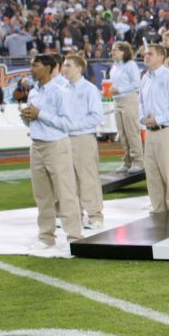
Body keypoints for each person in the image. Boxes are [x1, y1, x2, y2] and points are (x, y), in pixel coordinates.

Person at [21, 54, 82, 250]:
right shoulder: (33, 92)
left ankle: (74, 235)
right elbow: (34, 120)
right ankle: (46, 236)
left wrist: (40, 114)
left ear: (48, 68)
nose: (31, 69)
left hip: (56, 145)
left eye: (35, 65)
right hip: (36, 145)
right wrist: (27, 117)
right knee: (42, 195)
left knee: (65, 192)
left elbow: (67, 123)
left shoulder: (60, 91)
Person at [139, 43, 169, 212]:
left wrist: (159, 119)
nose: (146, 56)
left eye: (150, 54)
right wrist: (142, 119)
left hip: (167, 132)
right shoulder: (145, 78)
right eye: (145, 54)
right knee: (153, 178)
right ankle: (159, 215)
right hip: (151, 133)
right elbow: (141, 103)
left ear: (161, 57)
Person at [60, 53, 105, 230]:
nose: (64, 68)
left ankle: (95, 215)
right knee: (69, 180)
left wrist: (74, 126)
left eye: (68, 65)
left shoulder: (89, 89)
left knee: (87, 178)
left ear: (79, 68)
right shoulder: (62, 89)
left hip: (83, 138)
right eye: (64, 65)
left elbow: (96, 116)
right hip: (65, 139)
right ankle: (75, 214)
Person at [108, 41, 144, 173]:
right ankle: (127, 161)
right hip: (117, 101)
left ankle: (139, 161)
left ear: (124, 52)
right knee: (122, 133)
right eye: (113, 50)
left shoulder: (131, 65)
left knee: (131, 132)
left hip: (129, 99)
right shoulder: (114, 66)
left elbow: (136, 84)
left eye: (116, 50)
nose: (113, 52)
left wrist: (120, 89)